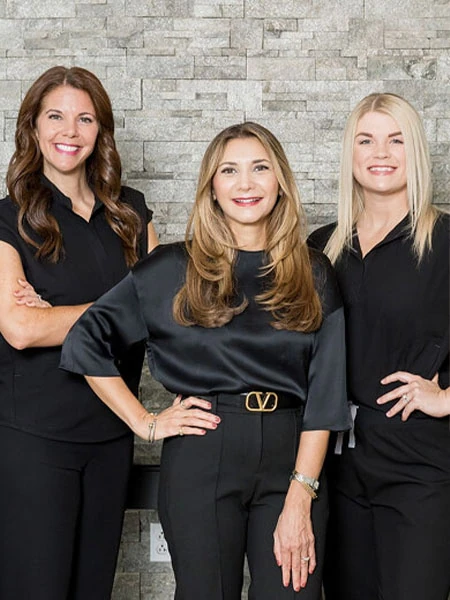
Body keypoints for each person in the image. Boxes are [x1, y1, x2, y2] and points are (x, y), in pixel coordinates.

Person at [60, 121, 350, 599]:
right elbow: (86, 339)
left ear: (280, 181)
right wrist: (146, 422)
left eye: (260, 168)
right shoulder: (173, 268)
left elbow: (326, 394)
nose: (246, 183)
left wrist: (301, 493)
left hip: (293, 456)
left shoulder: (313, 271)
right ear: (212, 187)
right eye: (229, 170)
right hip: (204, 453)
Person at [0, 65, 161, 600]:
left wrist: (62, 314)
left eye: (85, 118)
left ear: (101, 131)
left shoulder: (131, 213)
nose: (69, 131)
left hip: (112, 434)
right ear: (33, 127)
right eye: (55, 116)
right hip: (33, 441)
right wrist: (122, 307)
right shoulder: (7, 220)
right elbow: (21, 328)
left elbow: (164, 312)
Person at [308, 93, 450, 600]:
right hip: (337, 469)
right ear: (350, 152)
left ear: (416, 151)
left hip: (420, 466)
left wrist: (445, 397)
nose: (381, 153)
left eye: (396, 140)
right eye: (366, 140)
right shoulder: (321, 247)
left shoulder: (445, 241)